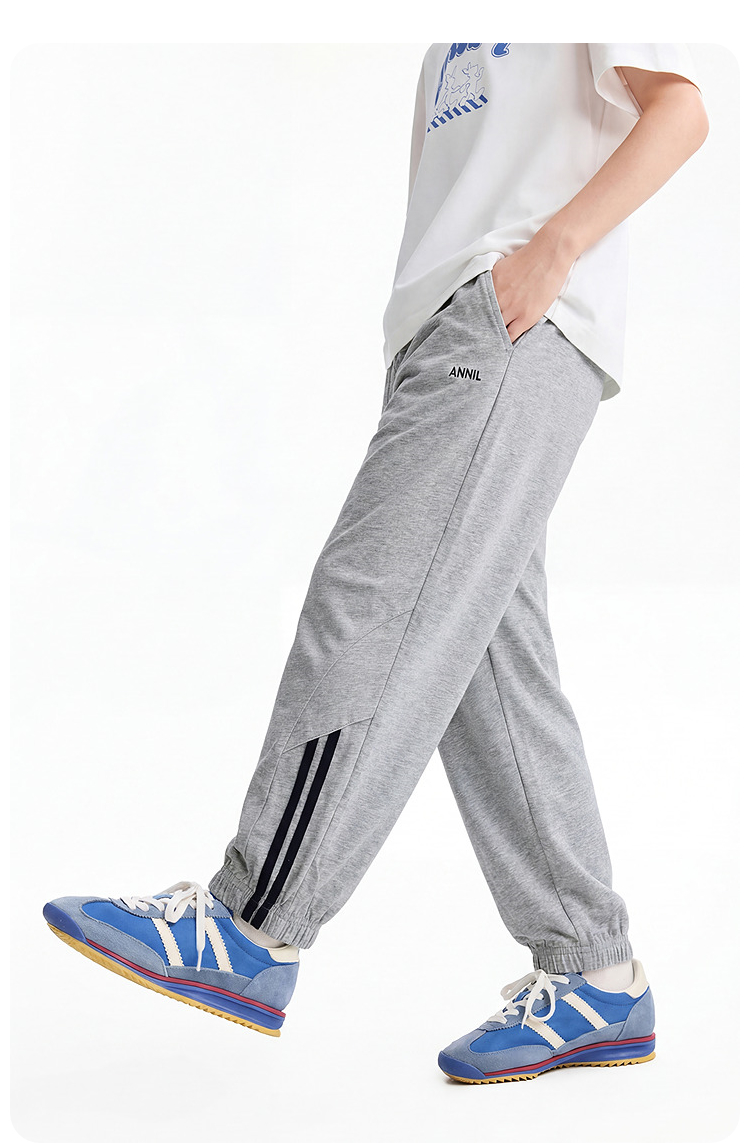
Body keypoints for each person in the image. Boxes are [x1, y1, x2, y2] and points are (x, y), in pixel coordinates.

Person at [43, 43, 708, 1084]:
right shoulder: (450, 39)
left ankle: (250, 923)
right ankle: (593, 970)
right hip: (456, 333)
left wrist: (552, 252)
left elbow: (680, 111)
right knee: (491, 667)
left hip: (511, 321)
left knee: (369, 605)